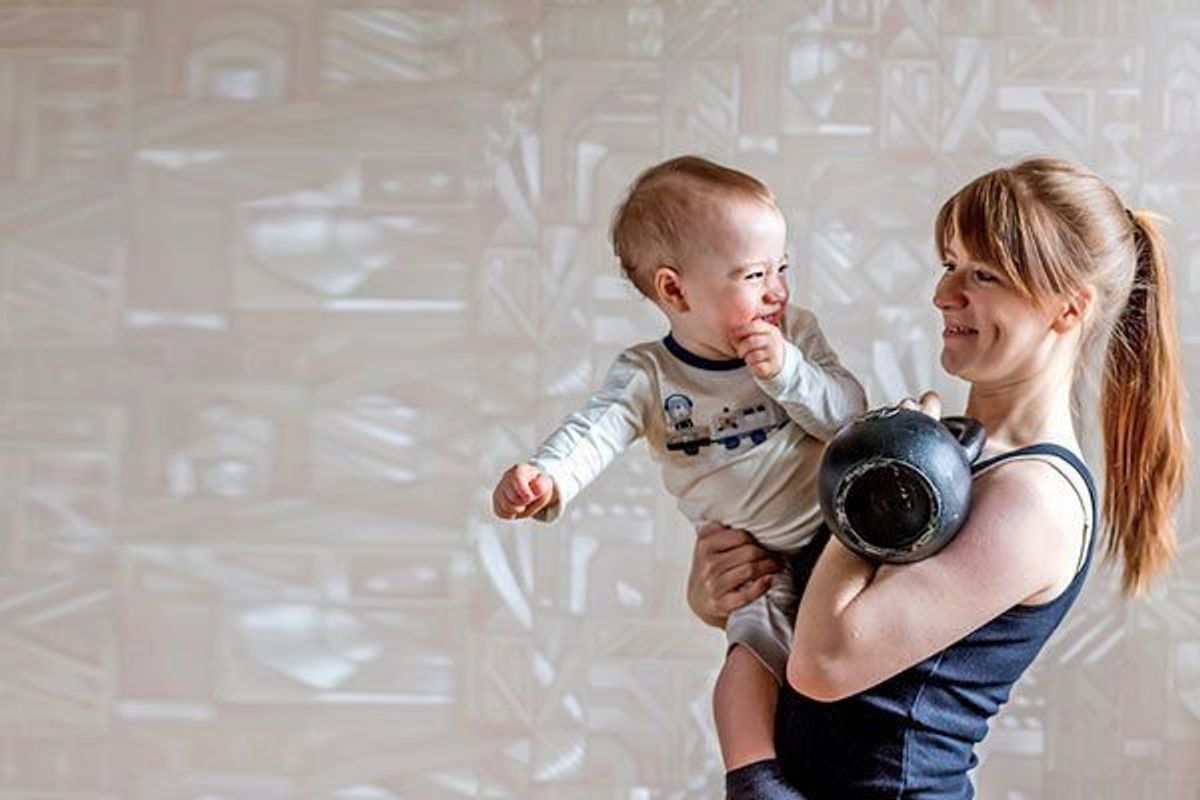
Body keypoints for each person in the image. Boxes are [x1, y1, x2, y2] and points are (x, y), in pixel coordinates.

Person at [687, 157, 1188, 798]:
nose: (944, 294)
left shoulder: (1035, 500)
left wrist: (875, 480)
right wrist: (719, 592)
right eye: (949, 263)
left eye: (983, 274)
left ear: (1070, 308)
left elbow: (826, 662)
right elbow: (809, 617)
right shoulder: (943, 449)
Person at [490, 156, 867, 777]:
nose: (778, 290)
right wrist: (547, 475)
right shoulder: (650, 377)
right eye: (753, 274)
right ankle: (753, 781)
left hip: (847, 534)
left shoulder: (795, 336)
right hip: (762, 563)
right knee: (747, 668)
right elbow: (594, 431)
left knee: (847, 668)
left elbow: (850, 414)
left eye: (782, 269)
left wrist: (788, 373)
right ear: (674, 290)